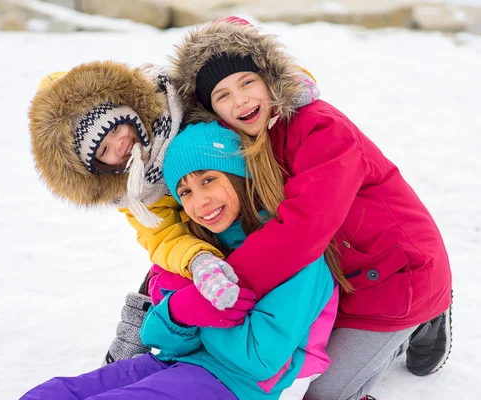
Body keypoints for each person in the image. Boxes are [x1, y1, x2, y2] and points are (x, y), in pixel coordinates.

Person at [168, 18, 453, 399]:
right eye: (222, 95)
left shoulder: (320, 128)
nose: (240, 101)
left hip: (397, 278)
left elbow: (303, 228)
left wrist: (226, 282)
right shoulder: (246, 147)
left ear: (270, 77)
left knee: (325, 394)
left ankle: (425, 315)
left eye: (247, 82)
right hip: (340, 282)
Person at [20, 121, 341, 400]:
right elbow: (155, 337)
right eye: (184, 192)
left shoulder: (297, 253)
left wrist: (196, 321)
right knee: (53, 393)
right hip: (170, 362)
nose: (199, 201)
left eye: (208, 179)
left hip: (232, 386)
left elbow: (260, 361)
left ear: (238, 174)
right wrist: (180, 310)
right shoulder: (201, 251)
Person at [28, 59, 322, 364]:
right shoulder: (131, 189)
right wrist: (198, 259)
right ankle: (139, 334)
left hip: (252, 188)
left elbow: (235, 61)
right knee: (166, 267)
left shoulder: (176, 100)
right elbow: (163, 236)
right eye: (102, 150)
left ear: (126, 107)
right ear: (97, 168)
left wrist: (287, 87)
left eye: (114, 127)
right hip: (203, 227)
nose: (119, 145)